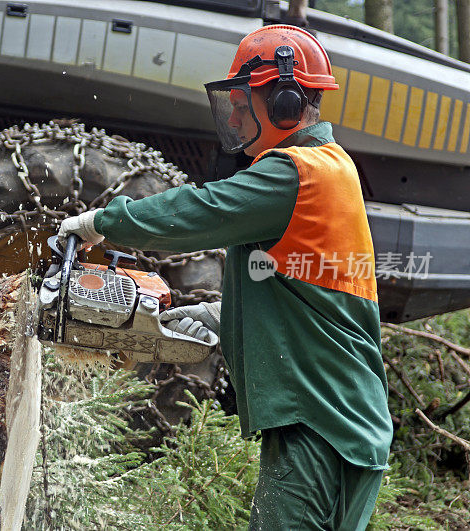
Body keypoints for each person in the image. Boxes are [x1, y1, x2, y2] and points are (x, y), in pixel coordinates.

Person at [59, 25, 393, 530]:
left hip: (320, 428)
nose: (234, 117)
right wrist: (221, 318)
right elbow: (317, 294)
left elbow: (201, 211)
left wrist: (101, 223)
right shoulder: (330, 169)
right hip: (339, 421)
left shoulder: (295, 174)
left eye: (242, 103)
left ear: (284, 103)